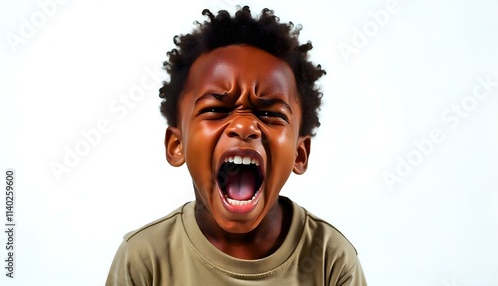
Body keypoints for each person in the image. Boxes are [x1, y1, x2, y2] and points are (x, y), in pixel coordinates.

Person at [106, 6, 367, 285]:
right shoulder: (145, 259)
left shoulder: (331, 259)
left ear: (299, 154)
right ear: (177, 144)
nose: (244, 126)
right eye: (217, 109)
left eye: (270, 114)